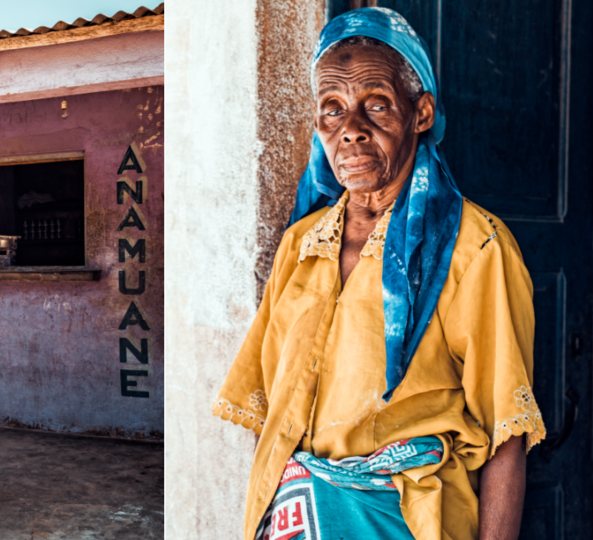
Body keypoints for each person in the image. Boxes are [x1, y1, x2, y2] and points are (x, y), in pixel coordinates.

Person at [212, 8, 545, 540]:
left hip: (409, 523)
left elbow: (506, 437)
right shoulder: (302, 245)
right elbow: (273, 414)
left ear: (421, 113)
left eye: (376, 105)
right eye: (332, 110)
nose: (352, 131)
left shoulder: (473, 247)